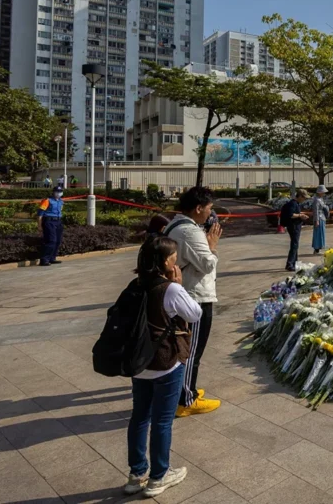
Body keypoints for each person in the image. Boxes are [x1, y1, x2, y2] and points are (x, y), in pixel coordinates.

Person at [124, 236, 200, 497]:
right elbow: (194, 314)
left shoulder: (136, 284)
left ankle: (136, 474)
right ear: (167, 261)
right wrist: (179, 285)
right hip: (165, 361)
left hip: (139, 362)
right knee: (162, 421)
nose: (176, 259)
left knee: (139, 416)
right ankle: (158, 476)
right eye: (174, 256)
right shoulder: (170, 289)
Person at [165, 186, 221, 417]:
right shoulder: (191, 232)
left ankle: (182, 390)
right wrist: (212, 245)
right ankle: (186, 400)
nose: (210, 213)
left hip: (182, 294)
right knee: (191, 351)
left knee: (183, 348)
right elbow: (207, 263)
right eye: (209, 208)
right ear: (198, 208)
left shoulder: (175, 225)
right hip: (195, 298)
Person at [280, 189, 309, 270]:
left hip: (295, 226)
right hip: (293, 226)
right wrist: (300, 215)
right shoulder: (293, 204)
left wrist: (301, 215)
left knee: (295, 245)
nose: (304, 200)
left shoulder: (296, 203)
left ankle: (294, 262)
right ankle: (289, 264)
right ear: (299, 196)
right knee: (294, 245)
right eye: (304, 198)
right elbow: (291, 215)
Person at [37, 185, 65, 267]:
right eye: (57, 192)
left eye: (60, 192)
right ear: (53, 192)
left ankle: (52, 258)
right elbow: (40, 214)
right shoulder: (47, 200)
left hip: (58, 221)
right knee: (51, 240)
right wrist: (39, 225)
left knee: (57, 241)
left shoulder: (61, 201)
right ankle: (44, 259)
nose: (59, 193)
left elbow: (60, 210)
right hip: (49, 221)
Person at [311, 185, 330, 254]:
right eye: (323, 192)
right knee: (317, 234)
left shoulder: (320, 199)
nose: (324, 193)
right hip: (319, 218)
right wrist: (316, 220)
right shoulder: (316, 200)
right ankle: (316, 249)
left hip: (322, 217)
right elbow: (315, 211)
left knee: (321, 233)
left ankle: (319, 248)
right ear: (319, 192)